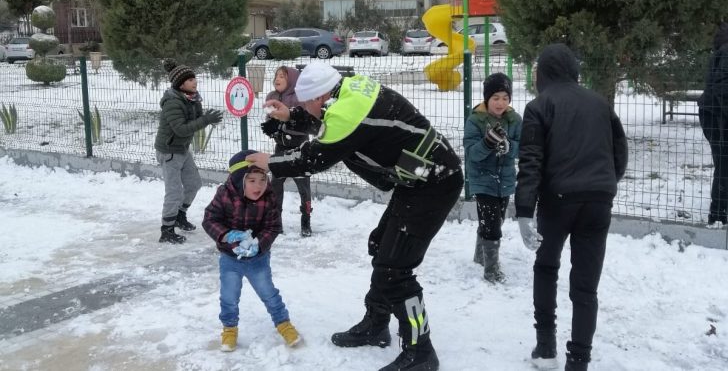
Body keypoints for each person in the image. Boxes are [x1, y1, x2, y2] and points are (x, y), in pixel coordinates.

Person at [246, 61, 463, 371]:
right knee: (381, 246)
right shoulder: (346, 89)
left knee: (395, 268)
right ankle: (376, 323)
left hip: (435, 183)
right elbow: (332, 123)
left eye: (305, 104)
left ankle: (421, 350)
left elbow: (312, 158)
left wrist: (271, 161)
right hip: (418, 177)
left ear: (319, 98)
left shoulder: (345, 114)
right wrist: (290, 114)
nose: (305, 109)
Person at [515, 43, 628, 371]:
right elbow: (619, 151)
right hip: (598, 200)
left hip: (558, 201)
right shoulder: (599, 103)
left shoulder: (539, 106)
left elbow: (531, 162)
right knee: (586, 284)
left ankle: (546, 347)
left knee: (546, 267)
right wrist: (604, 184)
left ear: (544, 74)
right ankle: (578, 360)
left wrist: (524, 212)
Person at [202, 150, 302, 352]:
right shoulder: (225, 194)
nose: (259, 186)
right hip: (230, 258)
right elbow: (209, 219)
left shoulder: (269, 197)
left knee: (269, 293)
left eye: (263, 179)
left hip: (258, 259)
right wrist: (227, 236)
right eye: (252, 180)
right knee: (229, 296)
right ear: (239, 180)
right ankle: (229, 329)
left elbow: (273, 227)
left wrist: (259, 245)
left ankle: (283, 323)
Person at [154, 59, 223, 244]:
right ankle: (166, 229)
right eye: (190, 79)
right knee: (174, 191)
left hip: (182, 149)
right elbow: (181, 129)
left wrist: (209, 118)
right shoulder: (172, 102)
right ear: (181, 83)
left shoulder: (192, 99)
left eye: (194, 77)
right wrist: (205, 120)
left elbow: (197, 119)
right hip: (169, 151)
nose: (195, 81)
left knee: (194, 184)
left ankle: (179, 215)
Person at [463, 72, 521, 283]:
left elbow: (522, 148)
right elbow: (472, 154)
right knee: (492, 225)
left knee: (497, 220)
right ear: (487, 98)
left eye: (505, 98)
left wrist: (509, 146)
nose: (500, 103)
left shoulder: (514, 119)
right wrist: (487, 143)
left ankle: (480, 254)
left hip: (504, 180)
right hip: (482, 180)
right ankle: (491, 270)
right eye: (496, 98)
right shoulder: (475, 120)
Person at [261, 66, 314, 236]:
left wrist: (285, 123)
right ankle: (276, 222)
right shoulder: (271, 96)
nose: (277, 79)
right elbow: (270, 117)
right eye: (276, 76)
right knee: (276, 185)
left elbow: (304, 124)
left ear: (291, 80)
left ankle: (306, 220)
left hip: (300, 148)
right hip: (281, 147)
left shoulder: (300, 98)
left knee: (303, 186)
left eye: (282, 76)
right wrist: (272, 128)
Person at [698, 23, 728, 226]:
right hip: (717, 115)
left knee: (723, 163)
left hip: (714, 112)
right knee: (724, 164)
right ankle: (717, 214)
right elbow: (721, 86)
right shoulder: (727, 51)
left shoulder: (724, 49)